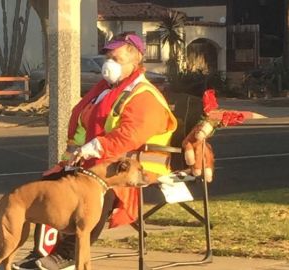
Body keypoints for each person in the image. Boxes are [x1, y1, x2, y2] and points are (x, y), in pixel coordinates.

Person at [14, 33, 179, 270]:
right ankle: (42, 251)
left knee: (95, 190)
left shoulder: (144, 94)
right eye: (107, 57)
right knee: (50, 183)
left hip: (138, 167)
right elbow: (80, 130)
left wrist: (97, 146)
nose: (108, 63)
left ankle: (68, 255)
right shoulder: (105, 90)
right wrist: (66, 162)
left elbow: (131, 134)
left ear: (136, 58)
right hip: (102, 161)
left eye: (115, 57)